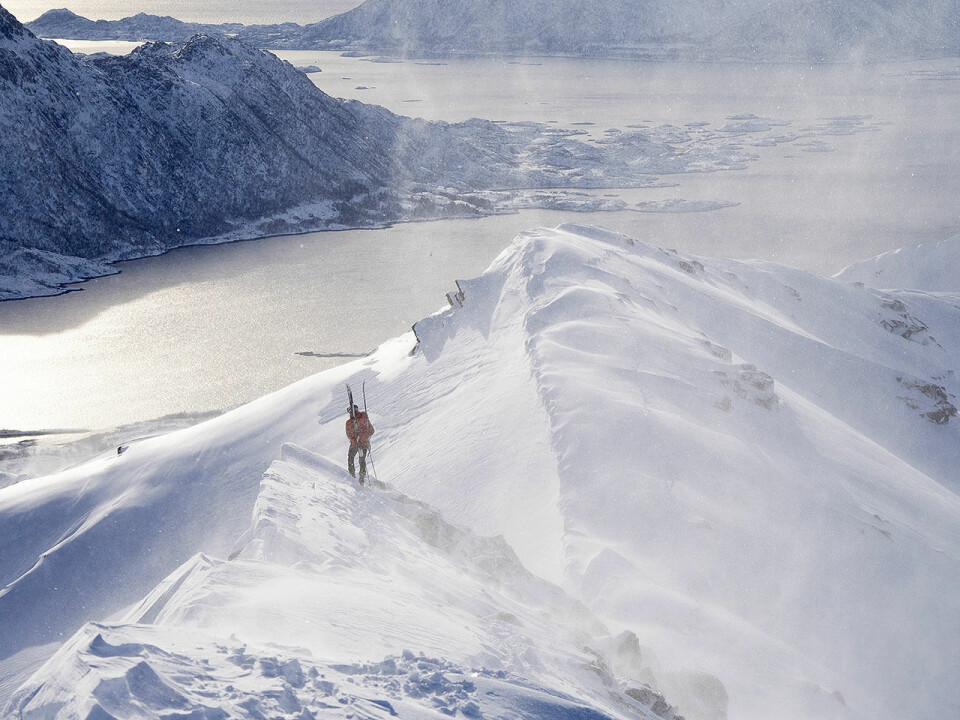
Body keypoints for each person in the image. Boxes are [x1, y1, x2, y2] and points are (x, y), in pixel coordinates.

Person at [345, 403, 374, 484]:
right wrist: (365, 437)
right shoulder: (365, 418)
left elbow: (349, 435)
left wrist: (354, 440)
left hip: (355, 444)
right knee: (362, 460)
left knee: (350, 457)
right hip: (364, 443)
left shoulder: (349, 422)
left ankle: (352, 477)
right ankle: (361, 479)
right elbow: (372, 431)